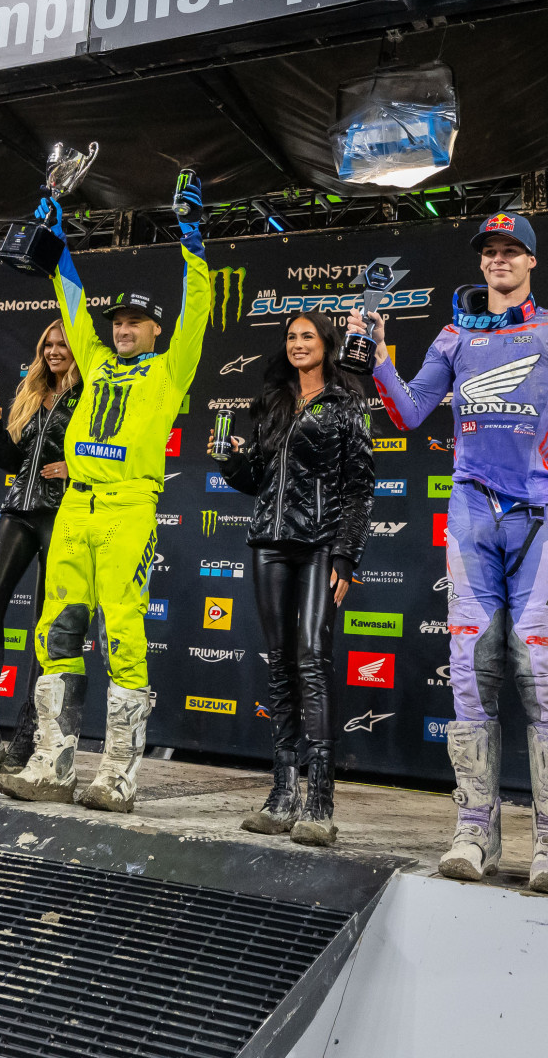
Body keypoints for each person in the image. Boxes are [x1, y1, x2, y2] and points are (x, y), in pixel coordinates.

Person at [362, 213, 548, 895]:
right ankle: (475, 829)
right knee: (468, 668)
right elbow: (409, 414)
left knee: (543, 669)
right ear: (481, 264)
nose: (500, 260)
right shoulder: (455, 334)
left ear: (531, 262)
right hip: (471, 516)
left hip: (539, 517)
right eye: (490, 252)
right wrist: (381, 360)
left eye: (512, 251)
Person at [0, 176, 210, 814]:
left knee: (122, 633)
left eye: (136, 321)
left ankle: (116, 776)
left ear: (155, 330)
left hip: (127, 508)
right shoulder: (93, 363)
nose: (122, 328)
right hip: (76, 508)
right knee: (56, 629)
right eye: (117, 320)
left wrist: (192, 243)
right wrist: (58, 246)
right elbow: (71, 300)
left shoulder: (172, 369)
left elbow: (196, 309)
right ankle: (51, 764)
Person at [216, 311, 374, 846]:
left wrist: (346, 556)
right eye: (290, 337)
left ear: (328, 344)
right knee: (281, 662)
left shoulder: (348, 403)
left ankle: (321, 802)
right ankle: (282, 794)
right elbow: (258, 479)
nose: (298, 343)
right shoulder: (272, 402)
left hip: (321, 546)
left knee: (311, 658)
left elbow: (360, 487)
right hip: (268, 543)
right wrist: (232, 465)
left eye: (307, 336)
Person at [0, 318, 80, 785]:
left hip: (63, 513)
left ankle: (27, 736)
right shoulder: (29, 391)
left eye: (63, 344)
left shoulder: (92, 395)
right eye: (48, 344)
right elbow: (9, 460)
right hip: (19, 507)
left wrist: (78, 462)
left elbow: (110, 449)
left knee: (47, 625)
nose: (54, 351)